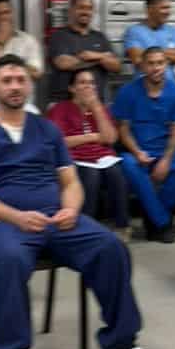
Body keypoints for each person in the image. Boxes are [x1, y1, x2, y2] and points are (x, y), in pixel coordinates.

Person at [0, 55, 154, 349]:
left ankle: (120, 342)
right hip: (2, 221)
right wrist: (15, 217)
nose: (15, 86)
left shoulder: (46, 130)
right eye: (7, 80)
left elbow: (70, 180)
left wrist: (71, 209)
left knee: (111, 248)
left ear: (29, 86)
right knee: (10, 261)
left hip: (55, 217)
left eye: (20, 79)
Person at [113, 47, 175, 242]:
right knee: (128, 164)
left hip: (166, 150)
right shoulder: (128, 92)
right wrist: (137, 152)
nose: (156, 68)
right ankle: (162, 222)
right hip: (137, 150)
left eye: (160, 63)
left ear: (166, 64)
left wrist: (166, 160)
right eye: (151, 63)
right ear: (142, 66)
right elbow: (123, 129)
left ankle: (153, 218)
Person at [46, 68, 130, 236]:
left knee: (117, 174)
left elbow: (111, 138)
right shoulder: (60, 109)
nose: (88, 87)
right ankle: (85, 226)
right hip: (74, 158)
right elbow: (59, 141)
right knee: (91, 175)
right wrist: (92, 136)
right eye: (82, 83)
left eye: (91, 83)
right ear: (72, 88)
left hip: (103, 157)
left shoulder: (100, 108)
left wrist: (97, 108)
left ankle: (122, 226)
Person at [47, 0, 120, 102]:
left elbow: (116, 66)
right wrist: (102, 58)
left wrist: (90, 56)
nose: (85, 12)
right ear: (71, 10)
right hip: (64, 103)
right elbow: (63, 63)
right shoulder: (59, 36)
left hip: (96, 104)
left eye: (89, 8)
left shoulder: (100, 37)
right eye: (81, 8)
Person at [123, 0, 175, 92]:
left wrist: (151, 54)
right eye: (164, 8)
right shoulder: (134, 32)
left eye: (169, 8)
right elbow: (138, 60)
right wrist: (173, 54)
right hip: (146, 93)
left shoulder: (174, 31)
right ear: (150, 9)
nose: (168, 12)